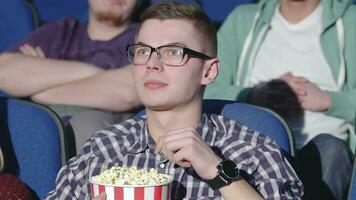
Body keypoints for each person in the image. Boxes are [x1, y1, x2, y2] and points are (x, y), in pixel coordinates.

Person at [45, 2, 303, 199]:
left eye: (173, 52)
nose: (152, 64)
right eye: (143, 51)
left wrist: (219, 172)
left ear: (209, 71)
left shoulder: (252, 152)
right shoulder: (103, 149)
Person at [204, 0, 355, 199]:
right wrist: (253, 95)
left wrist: (328, 100)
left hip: (325, 153)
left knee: (330, 148)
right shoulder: (243, 19)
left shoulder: (350, 19)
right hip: (253, 149)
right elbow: (204, 89)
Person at [0, 0, 149, 153]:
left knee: (87, 122)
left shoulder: (144, 37)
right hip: (39, 134)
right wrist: (95, 73)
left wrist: (38, 90)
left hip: (99, 135)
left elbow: (129, 91)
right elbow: (4, 72)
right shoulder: (61, 31)